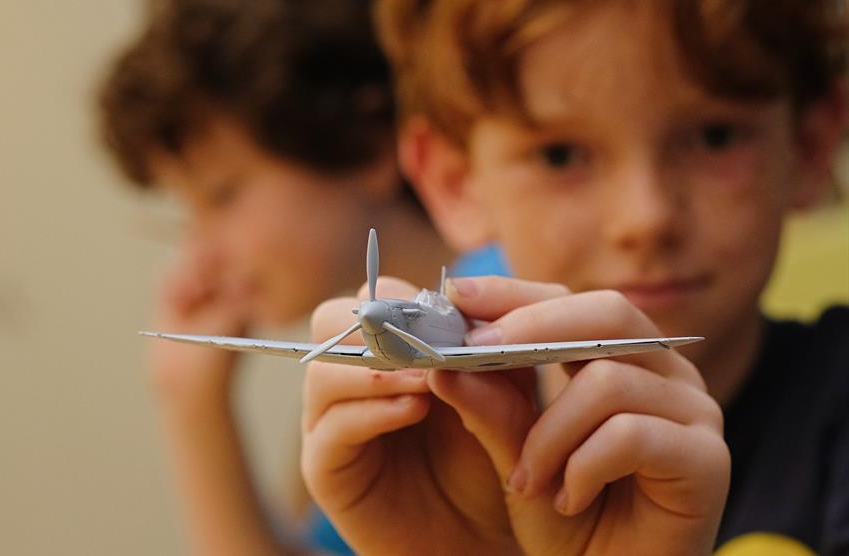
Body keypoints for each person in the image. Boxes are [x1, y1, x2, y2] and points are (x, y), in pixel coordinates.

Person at [300, 0, 848, 554]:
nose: (646, 217)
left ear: (810, 143)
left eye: (715, 137)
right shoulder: (413, 453)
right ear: (455, 180)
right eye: (560, 155)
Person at [96, 1, 510, 553]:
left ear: (362, 143)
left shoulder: (484, 320)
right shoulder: (366, 361)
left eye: (222, 195)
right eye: (185, 213)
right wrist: (190, 400)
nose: (200, 254)